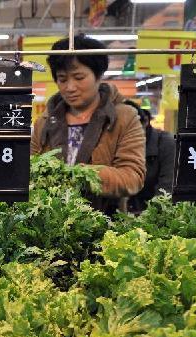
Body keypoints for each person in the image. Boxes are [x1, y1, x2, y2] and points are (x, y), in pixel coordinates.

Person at [31, 35, 146, 214]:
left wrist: (83, 175)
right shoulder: (44, 122)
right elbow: (29, 170)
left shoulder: (124, 117)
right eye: (62, 79)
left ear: (98, 75)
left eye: (79, 77)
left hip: (106, 225)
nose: (70, 87)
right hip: (50, 224)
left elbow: (132, 177)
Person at [123, 100, 175, 213]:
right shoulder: (117, 144)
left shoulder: (166, 143)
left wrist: (145, 221)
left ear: (145, 122)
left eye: (130, 130)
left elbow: (166, 191)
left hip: (154, 217)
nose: (125, 137)